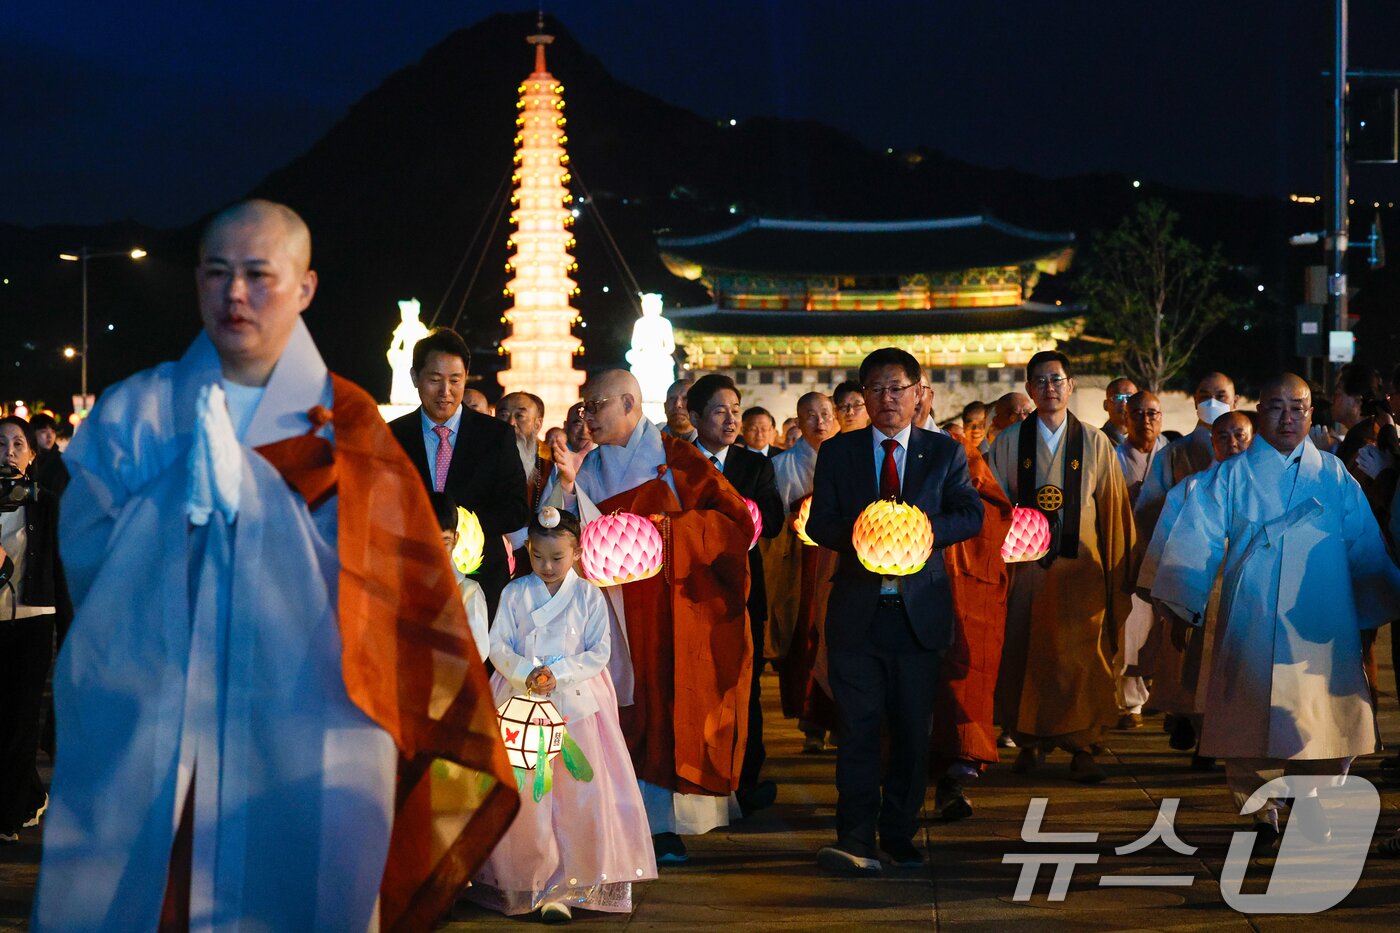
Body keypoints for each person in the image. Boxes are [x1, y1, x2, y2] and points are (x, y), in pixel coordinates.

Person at [33, 201, 515, 931]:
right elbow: (88, 560)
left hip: (312, 726)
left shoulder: (350, 431)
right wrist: (182, 512)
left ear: (305, 287)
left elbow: (402, 593)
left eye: (259, 275)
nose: (235, 294)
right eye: (217, 272)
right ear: (196, 280)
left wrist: (249, 510)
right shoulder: (140, 412)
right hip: (160, 714)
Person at [1151, 374, 1400, 854]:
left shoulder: (1331, 473)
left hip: (1321, 614)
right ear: (1259, 410)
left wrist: (1374, 602)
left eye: (1298, 408)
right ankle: (1260, 812)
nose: (1288, 418)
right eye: (1276, 407)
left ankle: (1313, 803)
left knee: (1325, 716)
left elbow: (1363, 545)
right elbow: (1196, 533)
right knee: (1248, 710)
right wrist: (1184, 601)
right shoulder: (1232, 474)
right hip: (1254, 609)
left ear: (1311, 413)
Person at [543, 369, 751, 864]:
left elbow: (732, 521)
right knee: (611, 708)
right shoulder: (586, 463)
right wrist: (566, 481)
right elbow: (553, 527)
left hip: (667, 609)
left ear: (630, 404)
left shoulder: (677, 459)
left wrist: (667, 531)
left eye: (597, 406)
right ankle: (611, 817)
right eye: (584, 407)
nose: (586, 416)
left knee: (662, 705)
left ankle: (662, 824)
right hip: (604, 612)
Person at [808, 348, 982, 874]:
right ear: (862, 396)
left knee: (911, 733)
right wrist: (865, 535)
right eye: (877, 389)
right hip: (859, 615)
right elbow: (820, 523)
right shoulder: (839, 453)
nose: (888, 398)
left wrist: (921, 534)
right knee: (858, 731)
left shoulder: (944, 451)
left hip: (918, 616)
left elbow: (969, 513)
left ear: (918, 392)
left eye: (898, 387)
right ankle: (855, 837)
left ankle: (901, 834)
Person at [468, 507, 657, 922]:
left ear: (577, 552)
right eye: (538, 557)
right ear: (528, 552)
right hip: (522, 699)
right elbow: (498, 645)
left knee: (578, 795)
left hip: (576, 704)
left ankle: (572, 885)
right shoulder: (516, 593)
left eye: (558, 558)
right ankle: (528, 880)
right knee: (529, 794)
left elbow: (599, 652)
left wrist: (559, 672)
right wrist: (525, 673)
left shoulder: (590, 596)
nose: (547, 566)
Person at [987, 350, 1134, 783]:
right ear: (1029, 389)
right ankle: (1028, 744)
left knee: (1084, 657)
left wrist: (1115, 573)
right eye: (1040, 381)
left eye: (1057, 380)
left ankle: (1084, 745)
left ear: (1070, 386)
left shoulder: (1095, 442)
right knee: (1025, 654)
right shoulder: (1010, 442)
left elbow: (1112, 511)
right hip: (1025, 575)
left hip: (1082, 573)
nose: (1049, 388)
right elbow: (993, 507)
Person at [689, 374, 785, 817]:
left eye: (735, 410)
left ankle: (746, 777)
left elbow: (774, 518)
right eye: (719, 411)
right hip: (690, 590)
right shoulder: (678, 463)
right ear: (693, 417)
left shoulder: (754, 465)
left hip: (744, 588)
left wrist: (743, 519)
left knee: (744, 687)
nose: (731, 420)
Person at [1135, 410, 1254, 764]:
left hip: (1249, 600)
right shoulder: (1191, 488)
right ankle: (1205, 739)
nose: (1232, 443)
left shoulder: (1269, 491)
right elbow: (1166, 549)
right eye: (1223, 437)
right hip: (1203, 598)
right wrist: (1171, 606)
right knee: (1200, 677)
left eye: (1240, 435)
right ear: (1212, 443)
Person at [388, 327, 529, 615]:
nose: (446, 392)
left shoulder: (496, 436)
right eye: (434, 380)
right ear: (415, 377)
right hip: (410, 574)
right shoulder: (392, 436)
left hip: (481, 578)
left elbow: (515, 508)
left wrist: (466, 527)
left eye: (455, 380)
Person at [928, 406, 1014, 821]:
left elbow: (993, 509)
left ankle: (952, 782)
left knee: (959, 680)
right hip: (892, 589)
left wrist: (936, 529)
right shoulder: (868, 452)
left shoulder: (957, 449)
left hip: (958, 582)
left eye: (909, 389)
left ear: (925, 398)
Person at [0, 416, 70, 844]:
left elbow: (60, 571)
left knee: (21, 719)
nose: (8, 450)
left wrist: (71, 632)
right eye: (0, 442)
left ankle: (9, 812)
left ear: (30, 456)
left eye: (17, 443)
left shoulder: (47, 503)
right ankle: (22, 794)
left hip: (31, 621)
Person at [767, 392, 840, 751]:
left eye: (826, 413)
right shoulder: (783, 465)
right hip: (799, 562)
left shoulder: (850, 456)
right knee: (804, 637)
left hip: (842, 557)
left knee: (839, 636)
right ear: (798, 420)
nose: (820, 422)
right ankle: (810, 721)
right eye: (810, 415)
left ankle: (838, 718)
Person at [1111, 391, 1167, 730]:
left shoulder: (1171, 455)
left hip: (1166, 554)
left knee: (1164, 629)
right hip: (1129, 553)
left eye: (1152, 413)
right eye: (1138, 413)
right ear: (1125, 418)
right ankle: (1131, 704)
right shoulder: (1113, 456)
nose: (1145, 420)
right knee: (1131, 630)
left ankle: (1161, 695)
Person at [1141, 372, 1236, 507]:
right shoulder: (1172, 453)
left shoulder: (1247, 450)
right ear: (1195, 402)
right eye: (1205, 396)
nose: (1212, 402)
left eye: (1221, 396)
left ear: (1235, 401)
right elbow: (1147, 509)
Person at [428, 491, 490, 662]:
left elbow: (478, 650)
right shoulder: (400, 583)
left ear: (456, 539)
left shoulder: (469, 591)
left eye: (445, 542)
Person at [499, 391, 555, 577]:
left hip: (535, 556)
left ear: (538, 424)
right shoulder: (482, 458)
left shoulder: (550, 463)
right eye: (503, 415)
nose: (511, 423)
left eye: (520, 416)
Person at [27, 412, 68, 496]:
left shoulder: (62, 461)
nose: (50, 436)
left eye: (53, 431)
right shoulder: (26, 459)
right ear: (33, 433)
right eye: (43, 431)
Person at [1100, 377, 1138, 447]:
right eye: (1117, 397)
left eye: (1129, 397)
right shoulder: (1096, 440)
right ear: (1105, 405)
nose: (1123, 403)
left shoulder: (1146, 440)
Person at [660, 378, 697, 442]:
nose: (678, 404)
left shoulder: (711, 444)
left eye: (685, 398)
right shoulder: (649, 441)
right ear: (665, 407)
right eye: (671, 398)